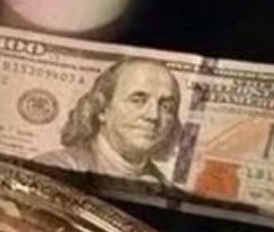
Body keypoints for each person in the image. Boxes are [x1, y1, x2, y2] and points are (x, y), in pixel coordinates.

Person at [37, 58, 182, 186]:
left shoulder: (166, 189)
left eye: (166, 107)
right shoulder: (55, 167)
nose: (154, 115)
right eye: (137, 100)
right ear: (102, 109)